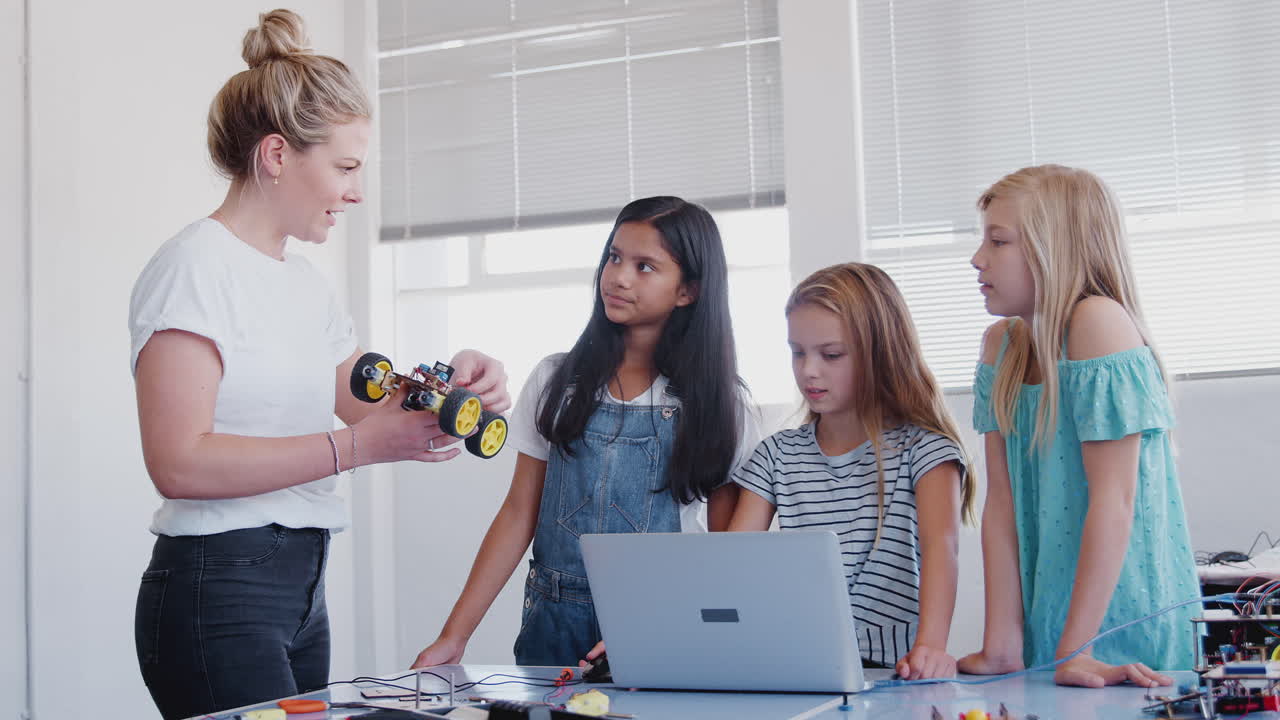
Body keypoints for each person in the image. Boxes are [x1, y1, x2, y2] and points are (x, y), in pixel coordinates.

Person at [129, 10, 509, 719]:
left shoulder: (304, 283)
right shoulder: (193, 269)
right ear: (277, 155)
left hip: (302, 589)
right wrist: (358, 447)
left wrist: (459, 394)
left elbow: (371, 406)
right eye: (345, 167)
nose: (357, 192)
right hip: (218, 590)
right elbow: (178, 463)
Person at [412, 196, 762, 668]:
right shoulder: (557, 381)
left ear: (688, 291)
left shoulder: (723, 406)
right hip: (551, 627)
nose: (618, 277)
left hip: (660, 628)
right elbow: (518, 514)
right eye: (615, 257)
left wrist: (679, 633)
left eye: (645, 267)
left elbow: (725, 559)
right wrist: (454, 637)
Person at [957, 164, 1198, 688]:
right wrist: (1003, 642)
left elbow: (1115, 502)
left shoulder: (1099, 323)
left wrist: (1077, 648)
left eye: (998, 242)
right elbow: (1000, 503)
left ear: (1055, 249)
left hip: (1123, 633)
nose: (978, 259)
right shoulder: (1001, 346)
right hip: (1057, 635)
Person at [729, 262, 973, 679]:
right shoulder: (776, 455)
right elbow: (728, 563)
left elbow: (942, 548)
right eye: (797, 352)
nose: (808, 370)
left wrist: (931, 647)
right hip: (802, 661)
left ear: (882, 354)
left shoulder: (926, 451)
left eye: (831, 354)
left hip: (893, 669)